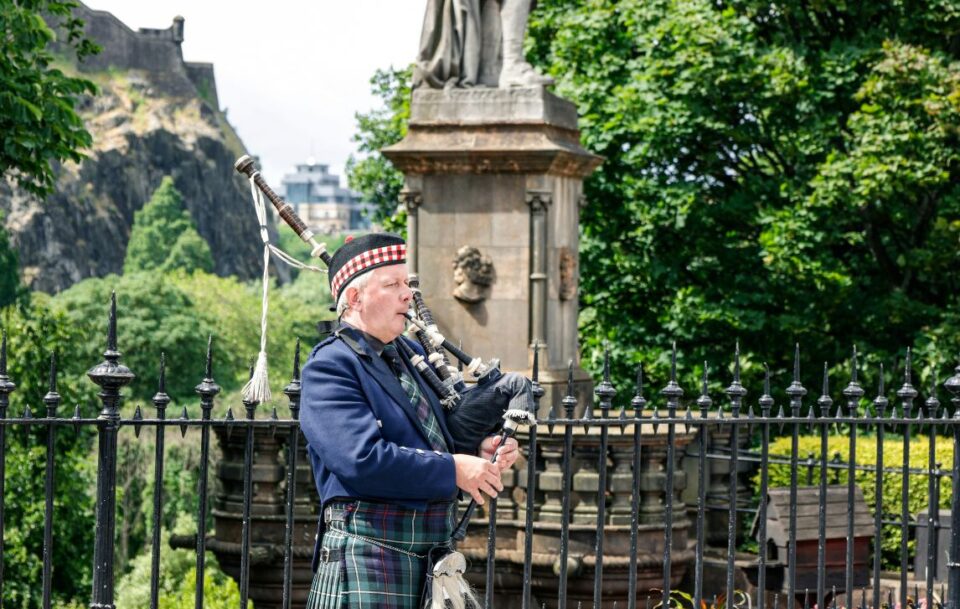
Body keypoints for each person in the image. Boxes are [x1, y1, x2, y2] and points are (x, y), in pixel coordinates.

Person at [300, 232, 520, 609]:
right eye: (393, 284)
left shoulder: (409, 356)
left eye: (407, 282)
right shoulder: (330, 366)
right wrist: (453, 468)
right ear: (355, 299)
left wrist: (475, 451)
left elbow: (430, 440)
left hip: (426, 559)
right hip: (366, 560)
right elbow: (362, 460)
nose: (408, 294)